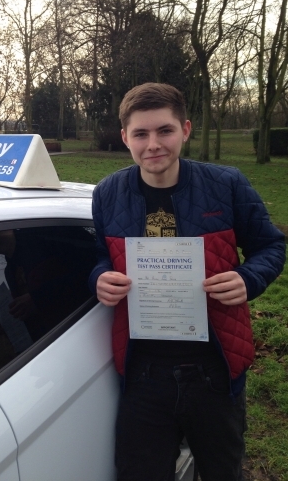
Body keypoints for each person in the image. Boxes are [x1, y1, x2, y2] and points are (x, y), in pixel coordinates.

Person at [88, 83, 286, 481]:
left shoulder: (226, 184)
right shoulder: (108, 193)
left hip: (214, 370)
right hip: (143, 373)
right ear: (125, 136)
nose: (153, 144)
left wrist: (249, 278)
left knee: (221, 472)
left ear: (186, 130)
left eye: (165, 131)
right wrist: (98, 277)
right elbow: (98, 256)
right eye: (141, 134)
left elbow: (271, 246)